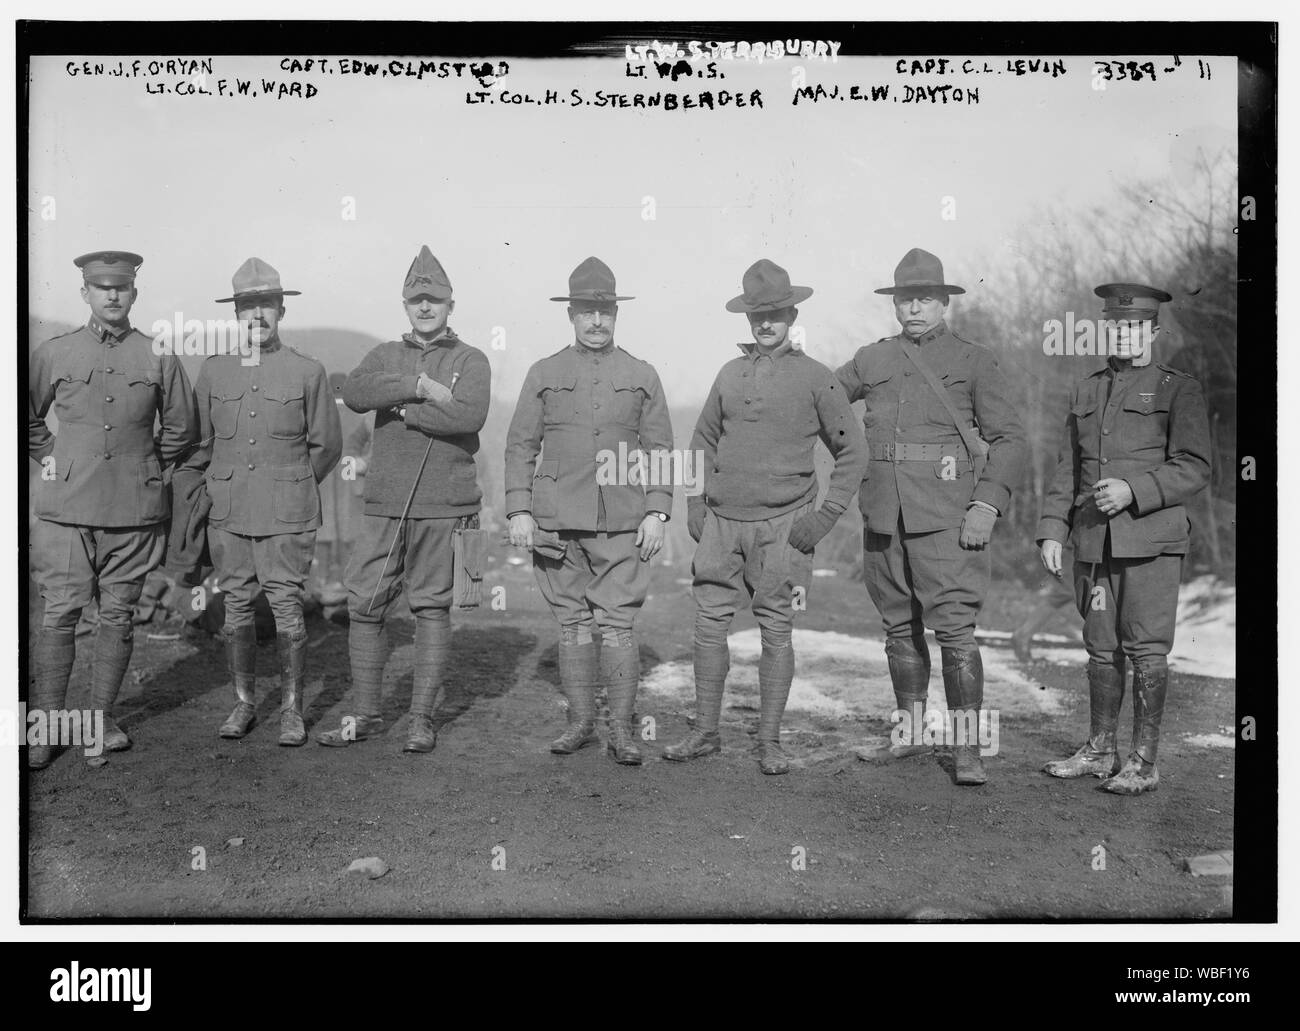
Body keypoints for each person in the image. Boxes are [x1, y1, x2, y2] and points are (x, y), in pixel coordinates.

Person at [662, 260, 866, 775]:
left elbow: (853, 451)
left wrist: (825, 518)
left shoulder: (818, 378)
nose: (766, 324)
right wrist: (693, 501)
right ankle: (705, 733)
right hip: (721, 523)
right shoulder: (729, 374)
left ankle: (769, 742)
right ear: (747, 319)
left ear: (792, 314)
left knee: (776, 629)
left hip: (783, 526)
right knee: (709, 624)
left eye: (775, 314)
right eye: (757, 315)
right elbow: (702, 440)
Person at [836, 248, 1027, 785]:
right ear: (894, 303)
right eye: (905, 299)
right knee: (897, 625)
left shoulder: (974, 360)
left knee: (956, 632)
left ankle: (967, 748)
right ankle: (913, 734)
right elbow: (821, 398)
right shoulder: (871, 359)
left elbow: (1010, 440)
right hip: (882, 516)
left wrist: (986, 505)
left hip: (948, 518)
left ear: (944, 302)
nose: (913, 308)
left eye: (924, 298)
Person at [1038, 283, 1211, 795]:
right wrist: (1052, 529)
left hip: (1151, 543)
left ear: (1153, 331)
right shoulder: (1087, 390)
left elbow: (1195, 466)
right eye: (1116, 325)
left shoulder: (1179, 389)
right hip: (1093, 541)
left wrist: (1134, 489)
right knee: (1101, 647)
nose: (1125, 333)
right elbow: (1067, 467)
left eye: (1135, 326)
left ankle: (1143, 761)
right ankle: (1098, 750)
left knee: (1147, 649)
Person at [317, 246, 491, 754]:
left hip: (446, 503)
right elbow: (353, 391)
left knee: (431, 608)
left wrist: (403, 412)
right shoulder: (385, 355)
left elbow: (467, 418)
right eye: (416, 299)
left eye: (434, 299)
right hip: (386, 502)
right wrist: (416, 386)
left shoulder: (470, 359)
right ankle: (366, 713)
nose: (425, 307)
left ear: (451, 304)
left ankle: (420, 720)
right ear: (404, 304)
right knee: (364, 604)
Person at [27, 251, 198, 768]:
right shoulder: (55, 353)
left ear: (133, 293)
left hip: (133, 510)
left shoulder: (158, 354)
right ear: (85, 294)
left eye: (121, 288)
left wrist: (141, 465)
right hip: (67, 511)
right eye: (101, 288)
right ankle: (49, 728)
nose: (112, 296)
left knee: (118, 616)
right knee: (59, 614)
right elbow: (25, 418)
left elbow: (182, 428)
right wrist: (56, 460)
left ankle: (101, 721)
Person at [504, 257, 674, 766]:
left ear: (615, 314)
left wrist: (657, 512)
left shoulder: (641, 374)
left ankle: (621, 730)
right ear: (571, 314)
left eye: (604, 311)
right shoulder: (544, 372)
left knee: (618, 625)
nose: (596, 321)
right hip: (556, 519)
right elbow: (519, 446)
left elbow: (661, 450)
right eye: (586, 311)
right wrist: (519, 509)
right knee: (573, 623)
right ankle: (579, 722)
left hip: (622, 518)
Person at [189, 258, 342, 745]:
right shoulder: (214, 373)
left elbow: (326, 446)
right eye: (246, 306)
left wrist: (292, 485)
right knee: (235, 607)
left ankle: (293, 711)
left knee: (288, 610)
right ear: (236, 314)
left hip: (287, 515)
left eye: (266, 305)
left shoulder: (306, 371)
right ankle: (244, 704)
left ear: (281, 309)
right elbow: (199, 443)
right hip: (229, 512)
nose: (257, 315)